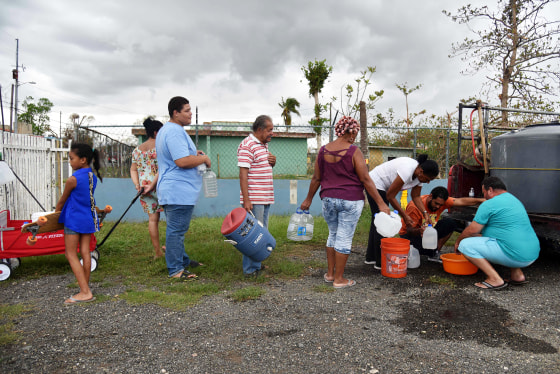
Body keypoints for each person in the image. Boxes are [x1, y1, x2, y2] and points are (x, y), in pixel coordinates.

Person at [300, 116, 390, 289]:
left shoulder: (323, 151)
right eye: (355, 133)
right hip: (350, 199)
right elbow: (365, 178)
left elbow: (316, 178)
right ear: (350, 131)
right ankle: (339, 280)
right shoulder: (353, 151)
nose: (355, 137)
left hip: (328, 199)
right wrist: (381, 203)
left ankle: (330, 274)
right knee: (344, 237)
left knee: (333, 234)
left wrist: (308, 199)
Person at [156, 96, 209, 280]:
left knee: (176, 228)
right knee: (176, 231)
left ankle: (182, 260)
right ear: (175, 112)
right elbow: (181, 161)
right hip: (178, 191)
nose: (190, 114)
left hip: (173, 190)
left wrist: (195, 154)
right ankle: (176, 270)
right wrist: (202, 159)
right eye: (186, 111)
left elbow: (180, 156)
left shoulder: (167, 130)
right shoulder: (175, 132)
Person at [454, 176, 540, 290]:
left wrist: (458, 242)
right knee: (507, 238)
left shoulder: (489, 204)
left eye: (484, 192)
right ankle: (518, 275)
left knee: (465, 245)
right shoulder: (514, 200)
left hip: (514, 254)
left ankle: (494, 279)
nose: (484, 196)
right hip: (532, 254)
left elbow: (472, 230)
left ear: (490, 190)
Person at [365, 154, 439, 269]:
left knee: (377, 221)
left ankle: (371, 258)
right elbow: (390, 196)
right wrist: (404, 215)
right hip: (375, 184)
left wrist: (425, 213)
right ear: (421, 171)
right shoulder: (407, 170)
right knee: (382, 221)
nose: (428, 182)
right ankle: (380, 263)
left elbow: (416, 197)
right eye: (428, 179)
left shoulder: (419, 177)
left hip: (384, 188)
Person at [55, 143, 103, 304]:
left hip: (74, 220)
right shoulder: (92, 177)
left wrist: (54, 215)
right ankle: (85, 288)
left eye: (71, 158)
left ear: (82, 160)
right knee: (85, 253)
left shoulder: (73, 179)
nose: (69, 161)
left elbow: (62, 201)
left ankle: (84, 292)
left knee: (70, 254)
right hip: (88, 219)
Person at [399, 186, 485, 262]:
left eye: (441, 205)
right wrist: (420, 231)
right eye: (436, 203)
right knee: (423, 250)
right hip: (409, 237)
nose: (438, 207)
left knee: (450, 223)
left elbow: (462, 201)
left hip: (427, 233)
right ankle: (429, 252)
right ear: (430, 196)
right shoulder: (414, 207)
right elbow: (409, 231)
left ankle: (435, 253)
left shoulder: (442, 202)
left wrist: (482, 200)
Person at [237, 115, 276, 277]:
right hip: (254, 200)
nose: (272, 133)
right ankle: (250, 270)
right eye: (269, 130)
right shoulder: (247, 145)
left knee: (262, 234)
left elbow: (262, 166)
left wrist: (273, 162)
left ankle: (256, 264)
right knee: (252, 236)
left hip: (265, 197)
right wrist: (247, 200)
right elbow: (243, 174)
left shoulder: (263, 145)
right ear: (259, 130)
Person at [130, 118, 165, 259]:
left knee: (152, 220)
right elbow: (163, 168)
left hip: (144, 188)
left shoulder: (137, 150)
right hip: (161, 185)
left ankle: (158, 252)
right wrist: (153, 183)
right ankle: (172, 247)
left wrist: (137, 184)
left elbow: (133, 170)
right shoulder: (161, 147)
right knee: (173, 218)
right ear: (156, 132)